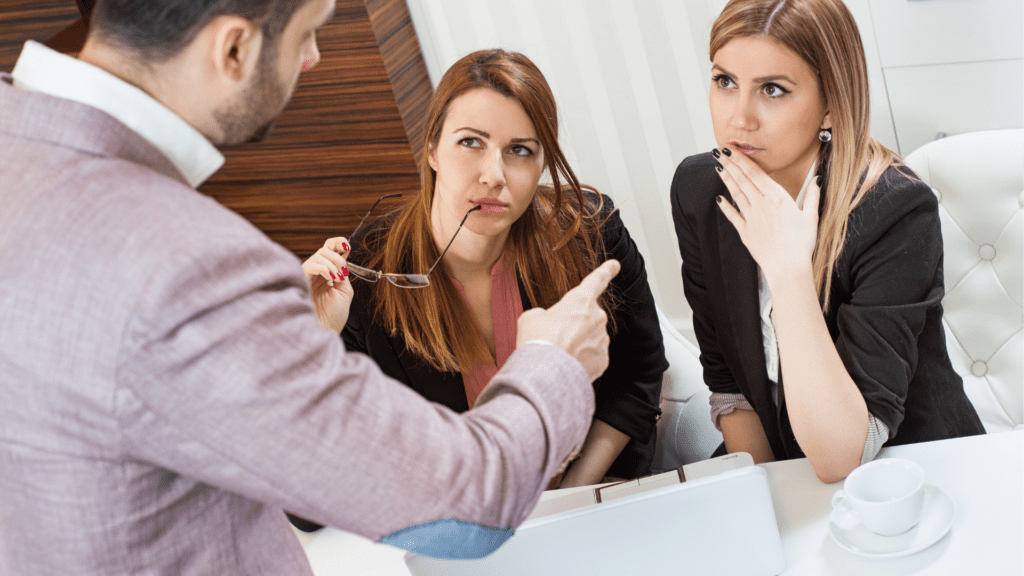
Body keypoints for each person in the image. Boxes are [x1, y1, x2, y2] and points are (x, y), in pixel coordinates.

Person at [0, 0, 622, 573]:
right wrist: (552, 362)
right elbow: (469, 508)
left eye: (520, 150)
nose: (314, 57)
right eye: (307, 33)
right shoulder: (194, 268)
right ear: (235, 49)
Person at [301, 49, 667, 494]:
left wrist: (571, 494)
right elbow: (309, 498)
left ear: (541, 165)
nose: (494, 175)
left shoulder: (588, 234)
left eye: (519, 151)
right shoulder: (363, 277)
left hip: (588, 491)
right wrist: (310, 340)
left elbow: (637, 378)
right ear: (433, 148)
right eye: (471, 142)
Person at [670, 0, 984, 484]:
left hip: (914, 469)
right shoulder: (699, 189)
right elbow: (730, 384)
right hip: (792, 467)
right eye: (725, 81)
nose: (739, 118)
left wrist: (787, 270)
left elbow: (844, 454)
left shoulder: (894, 208)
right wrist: (769, 498)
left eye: (773, 90)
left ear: (832, 104)